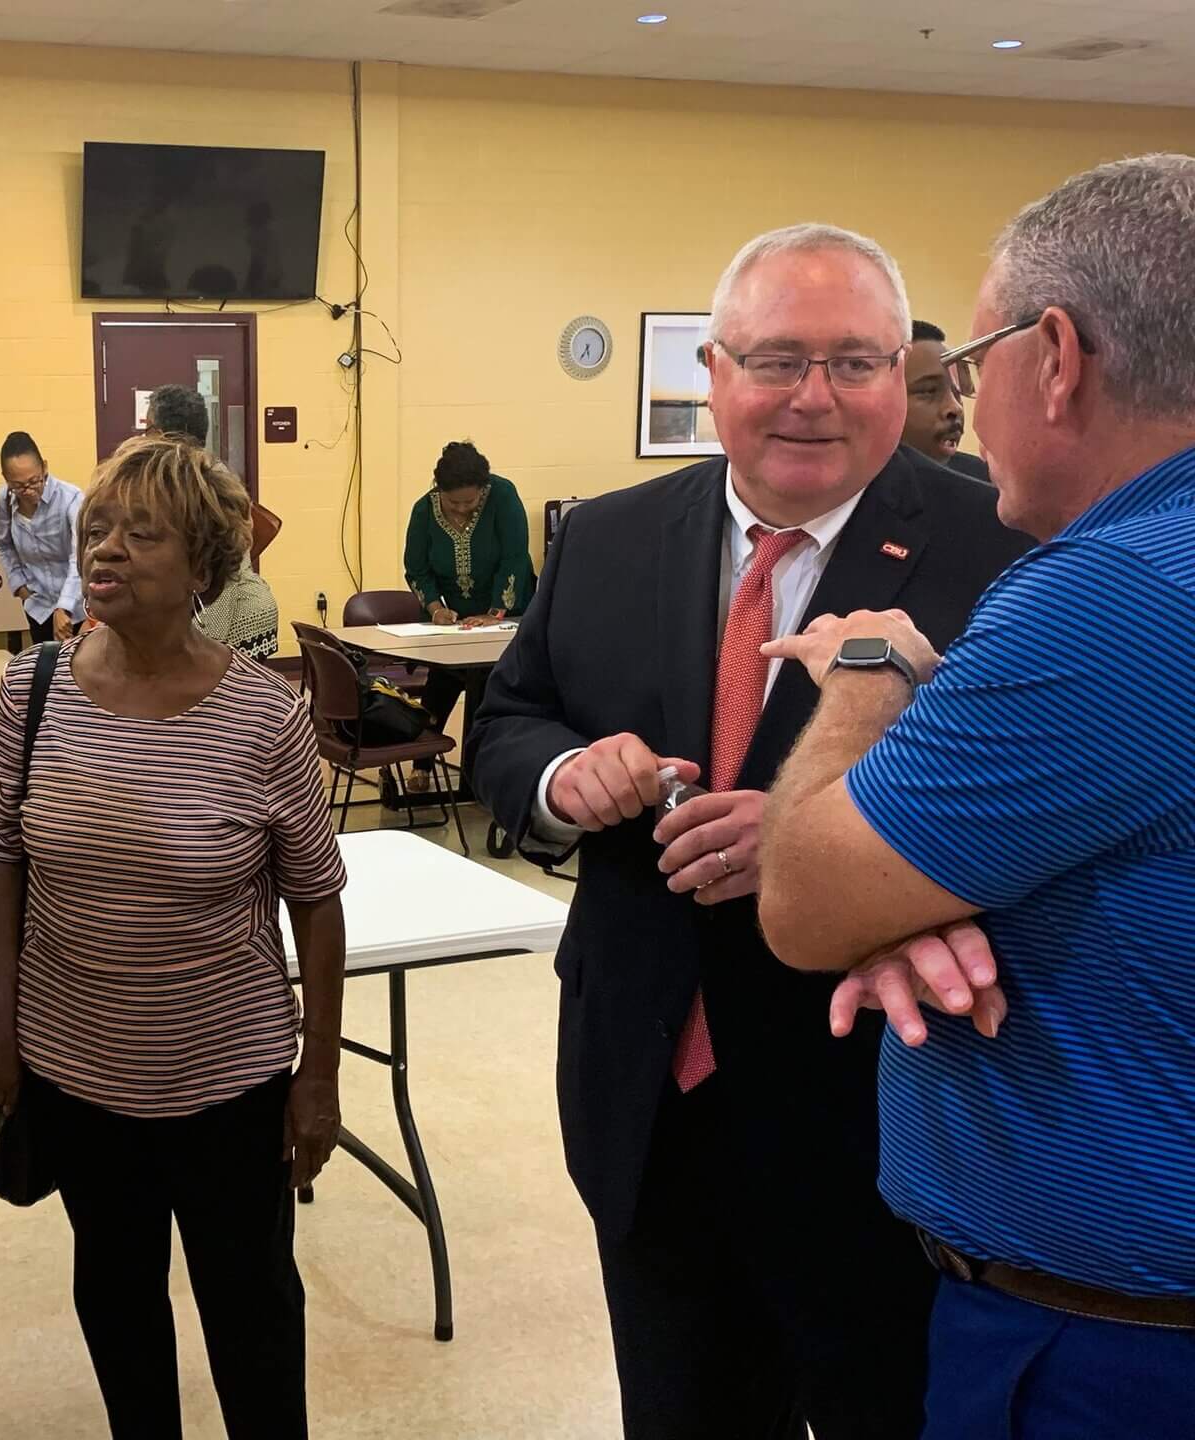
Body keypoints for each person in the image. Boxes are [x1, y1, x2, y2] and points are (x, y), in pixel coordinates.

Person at [467, 223, 1029, 1440]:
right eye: (777, 361)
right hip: (645, 1091)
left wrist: (824, 838)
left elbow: (1043, 811)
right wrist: (567, 776)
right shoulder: (607, 537)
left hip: (879, 1112)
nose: (814, 400)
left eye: (857, 363)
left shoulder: (1008, 547)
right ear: (712, 374)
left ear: (909, 374)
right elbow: (509, 722)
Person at [758, 155, 1195, 1439]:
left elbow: (800, 897)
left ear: (1055, 357)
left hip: (1107, 1345)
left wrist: (868, 672)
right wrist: (907, 898)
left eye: (970, 356)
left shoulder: (1113, 597)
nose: (966, 400)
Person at [0, 431, 346, 1440]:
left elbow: (317, 896)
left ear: (204, 569)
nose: (106, 552)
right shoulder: (32, 691)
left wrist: (318, 1076)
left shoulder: (266, 716)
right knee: (119, 1298)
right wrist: (0, 1025)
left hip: (229, 1080)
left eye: (142, 536)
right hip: (75, 1072)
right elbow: (3, 858)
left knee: (251, 1316)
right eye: (98, 529)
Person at [404, 440, 534, 729]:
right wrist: (436, 609)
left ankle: (476, 767)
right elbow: (416, 569)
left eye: (469, 502)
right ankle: (423, 767)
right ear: (439, 489)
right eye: (453, 502)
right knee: (443, 679)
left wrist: (496, 613)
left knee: (488, 686)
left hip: (506, 616)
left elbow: (515, 559)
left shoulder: (503, 496)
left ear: (482, 489)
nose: (462, 508)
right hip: (455, 622)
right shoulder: (423, 511)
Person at [146, 382, 282, 657]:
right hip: (241, 605)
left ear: (160, 434)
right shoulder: (214, 472)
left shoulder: (184, 483)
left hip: (224, 614)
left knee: (219, 698)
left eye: (147, 429)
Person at [0, 429, 83, 643]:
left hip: (75, 605)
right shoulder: (4, 499)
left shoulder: (71, 499)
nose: (29, 490)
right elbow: (4, 545)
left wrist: (64, 606)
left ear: (45, 467)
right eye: (19, 486)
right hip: (37, 605)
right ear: (6, 479)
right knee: (44, 669)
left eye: (35, 481)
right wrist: (20, 587)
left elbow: (79, 557)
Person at [903, 320, 990, 481]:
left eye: (957, 392)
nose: (955, 408)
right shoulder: (850, 495)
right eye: (929, 391)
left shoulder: (987, 486)